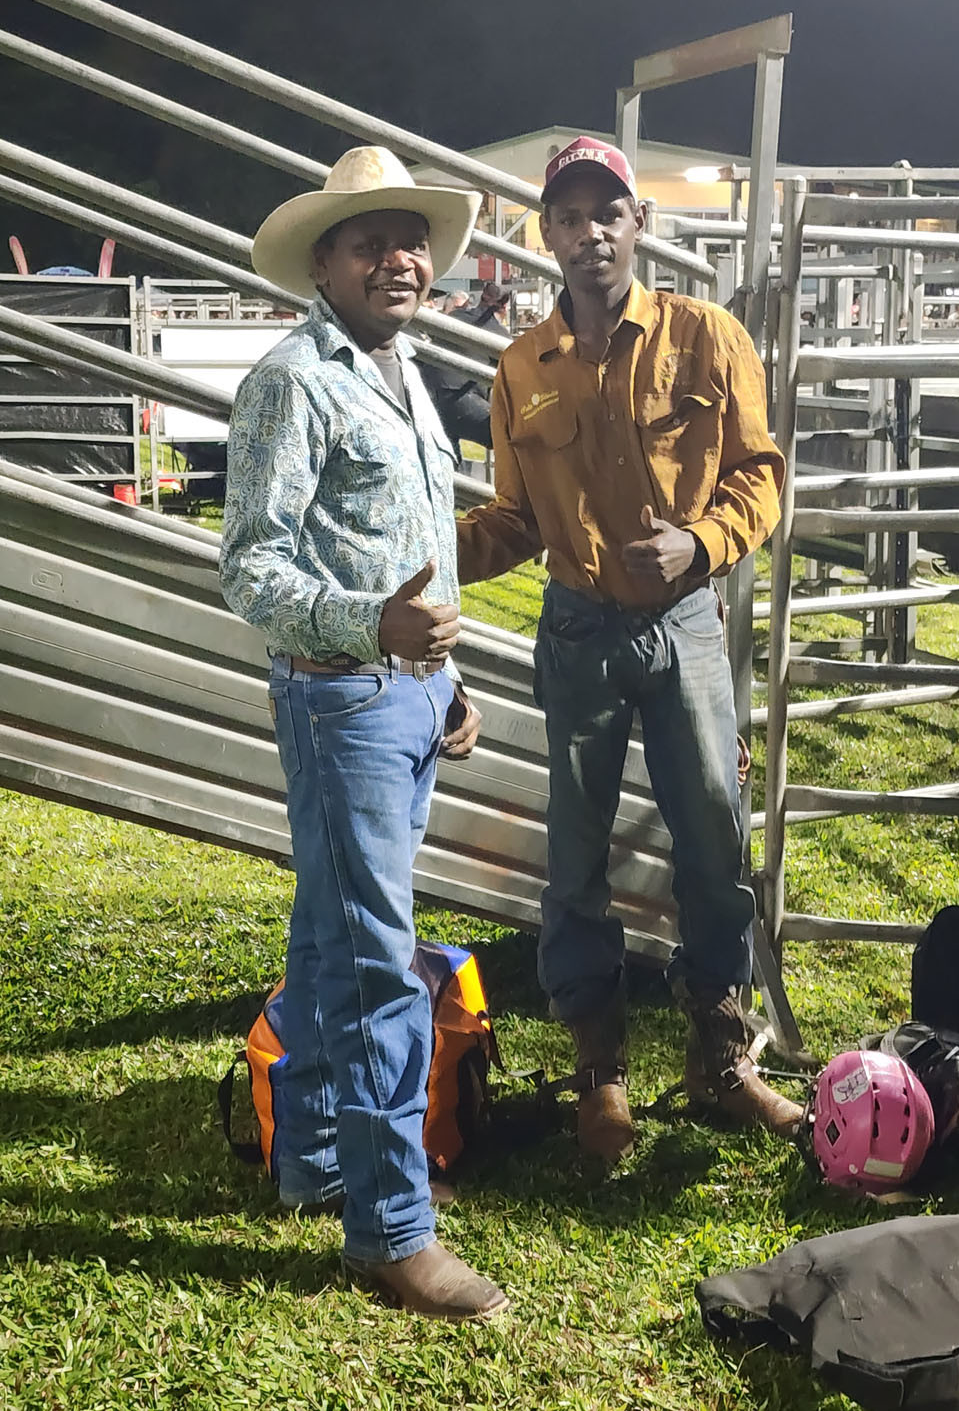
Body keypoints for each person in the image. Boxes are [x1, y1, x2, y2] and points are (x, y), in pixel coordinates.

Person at [458, 136, 803, 1167]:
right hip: (579, 629)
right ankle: (598, 1067)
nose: (590, 234)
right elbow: (514, 519)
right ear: (547, 235)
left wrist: (701, 542)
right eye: (568, 218)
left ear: (637, 223)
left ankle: (721, 1056)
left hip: (684, 623)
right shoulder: (522, 366)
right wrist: (419, 552)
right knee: (576, 854)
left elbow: (760, 474)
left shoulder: (706, 337)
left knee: (711, 837)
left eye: (607, 213)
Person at [219, 145, 507, 1320]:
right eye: (371, 241)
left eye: (413, 241)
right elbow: (250, 567)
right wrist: (375, 630)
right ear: (324, 264)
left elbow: (415, 546)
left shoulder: (400, 370)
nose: (400, 260)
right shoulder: (292, 382)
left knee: (332, 943)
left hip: (404, 698)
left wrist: (447, 676)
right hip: (344, 699)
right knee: (379, 959)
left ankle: (314, 1161)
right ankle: (392, 1229)